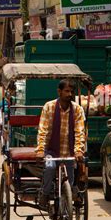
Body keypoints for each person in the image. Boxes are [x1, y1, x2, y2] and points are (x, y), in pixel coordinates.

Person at [35, 80, 86, 209]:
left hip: (69, 151)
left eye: (72, 92)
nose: (69, 94)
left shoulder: (77, 109)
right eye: (67, 91)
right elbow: (43, 130)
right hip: (51, 150)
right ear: (59, 91)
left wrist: (79, 150)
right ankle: (45, 194)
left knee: (70, 178)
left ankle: (67, 210)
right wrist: (41, 149)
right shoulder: (49, 106)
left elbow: (79, 132)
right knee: (50, 167)